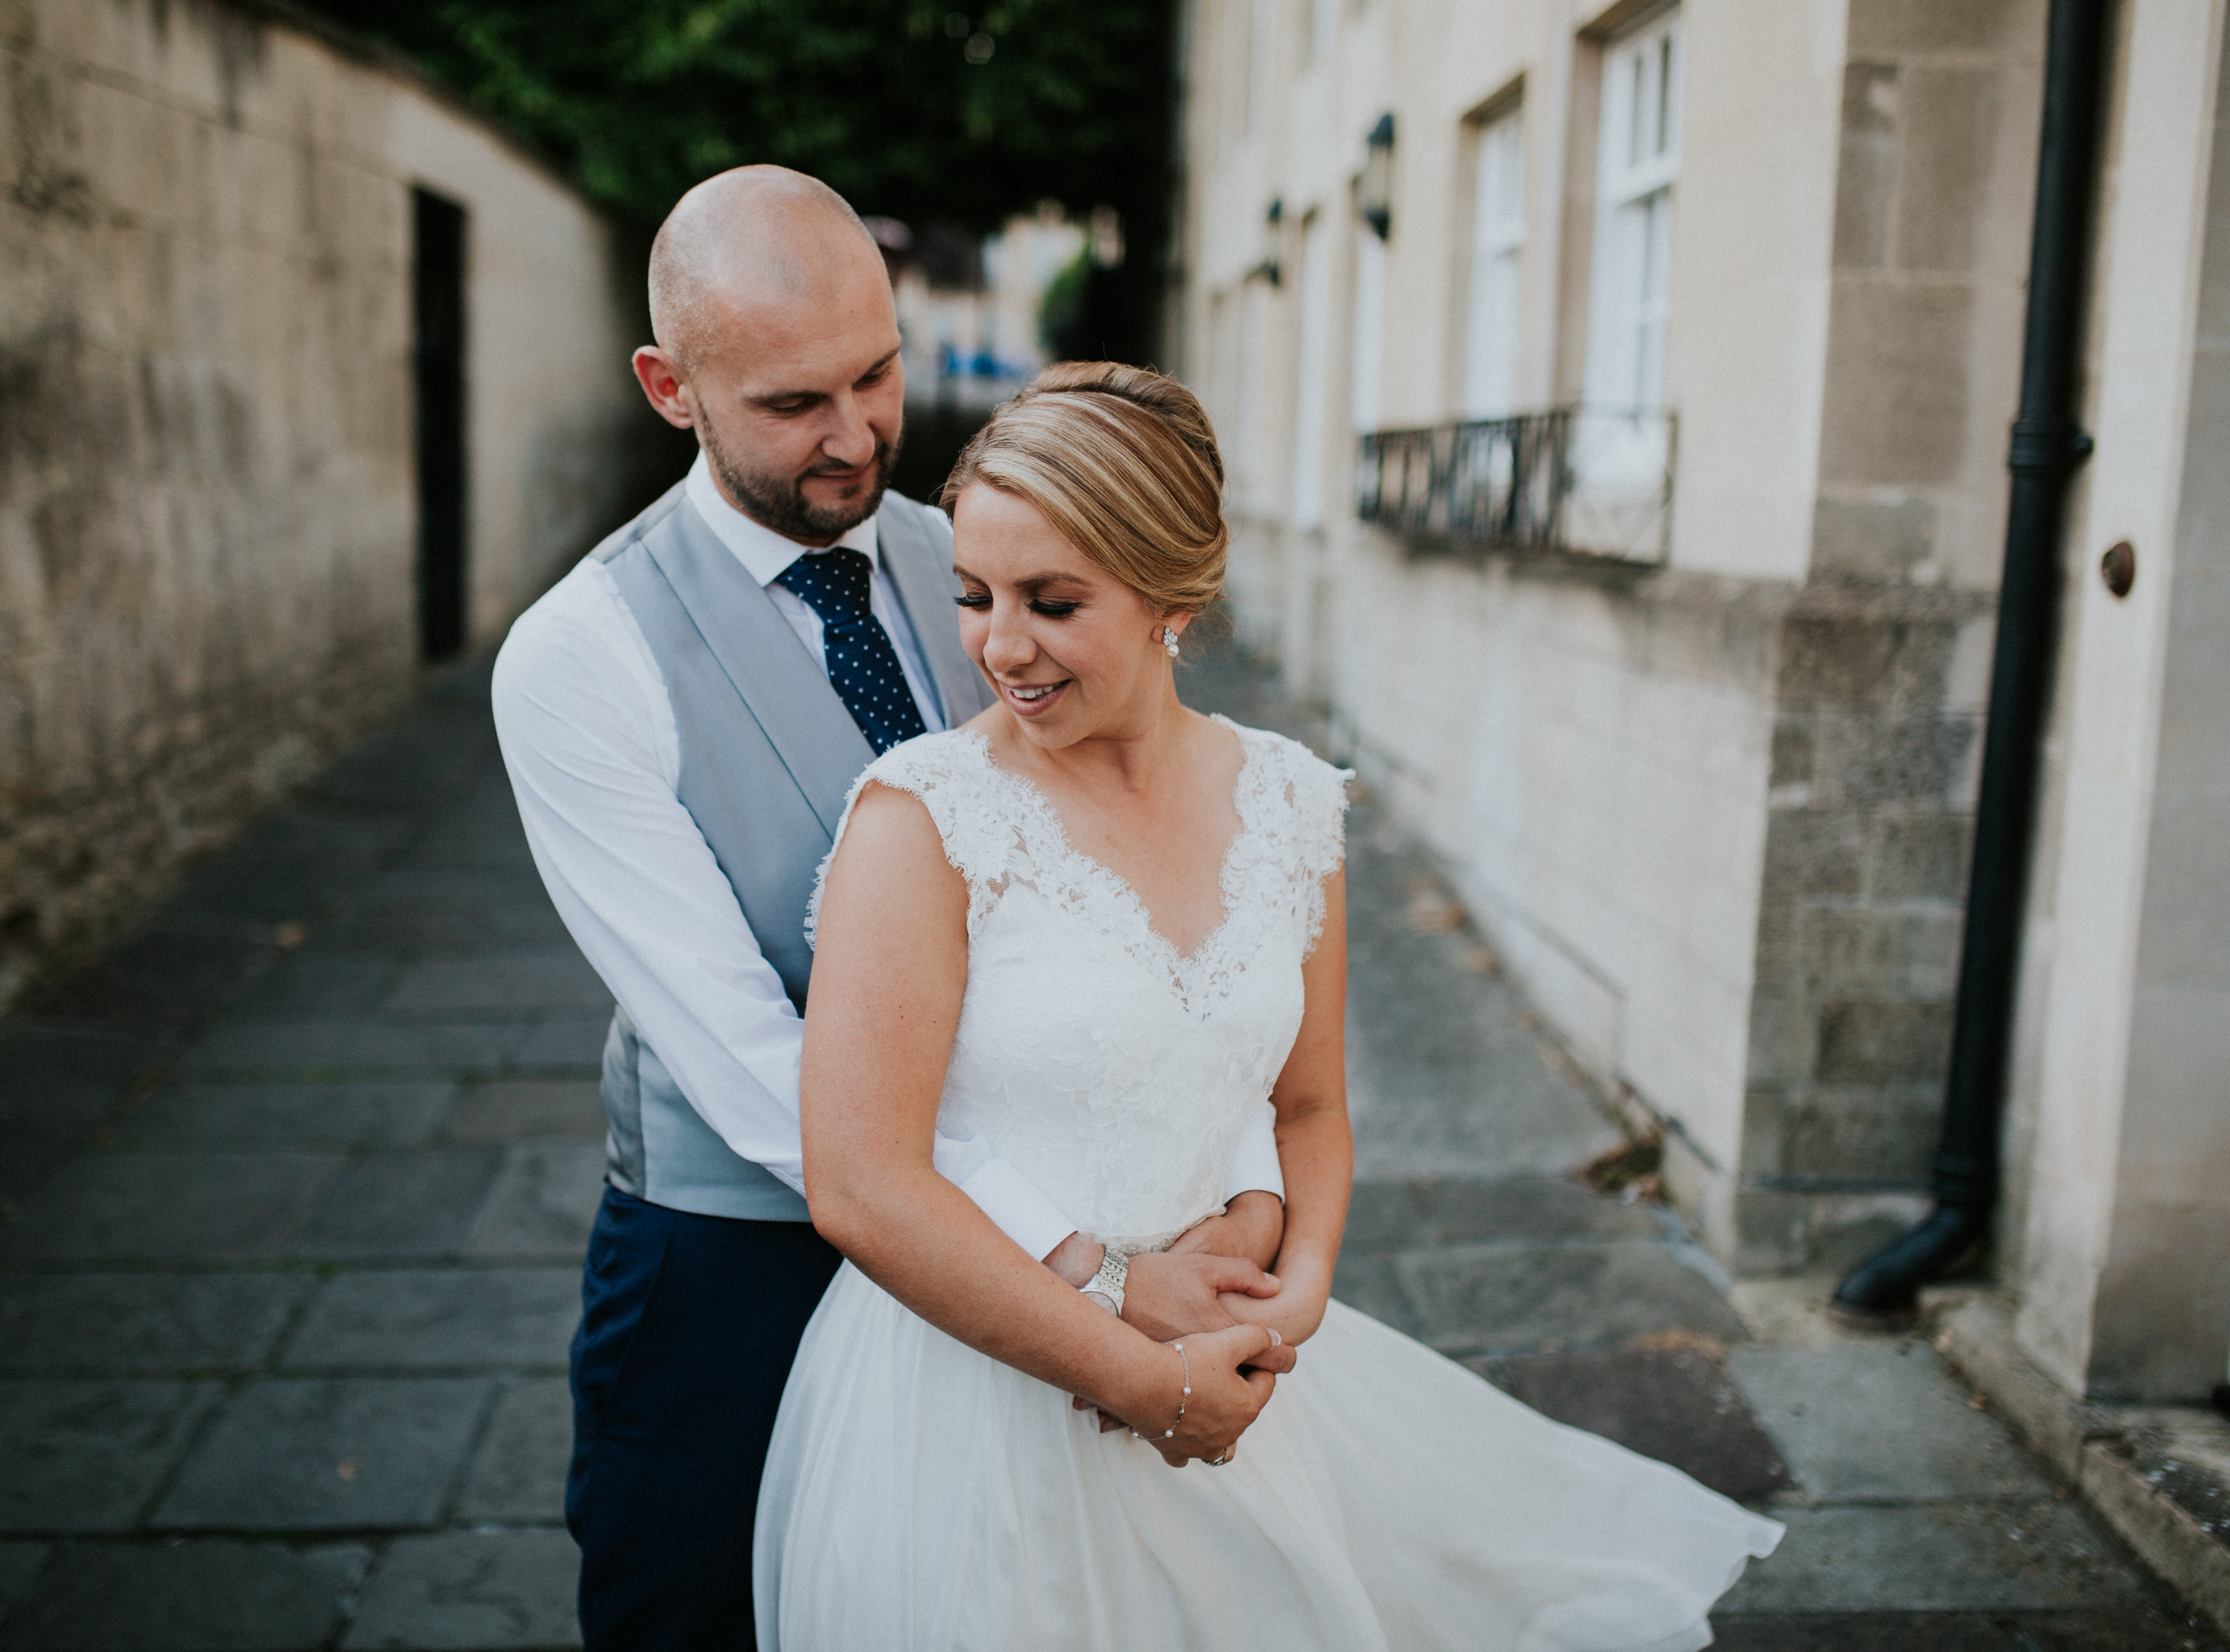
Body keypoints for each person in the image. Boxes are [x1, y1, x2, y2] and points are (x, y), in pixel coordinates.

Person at [755, 362, 1785, 1650]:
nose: (998, 646)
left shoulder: (1292, 803)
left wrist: (1290, 1302)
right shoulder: (921, 820)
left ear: (1173, 592)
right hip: (974, 1404)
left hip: (1238, 1367)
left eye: (1052, 601)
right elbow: (861, 1182)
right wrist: (1138, 1376)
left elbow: (1306, 1106)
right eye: (973, 595)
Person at [491, 168, 1295, 1652]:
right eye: (795, 401)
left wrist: (1216, 1189)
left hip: (1060, 1220)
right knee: (699, 1615)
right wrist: (1093, 1272)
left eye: (877, 372)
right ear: (672, 388)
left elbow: (1149, 880)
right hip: (735, 1263)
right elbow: (752, 1071)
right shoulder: (577, 661)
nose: (856, 434)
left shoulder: (982, 564)